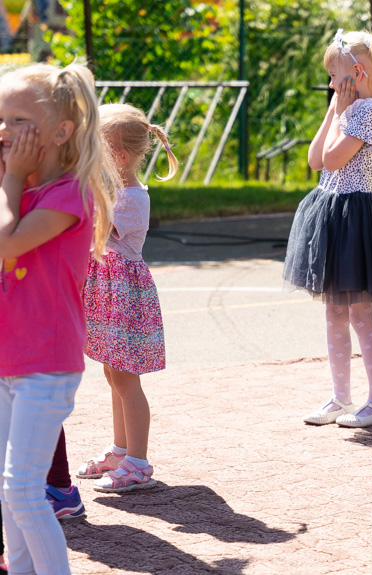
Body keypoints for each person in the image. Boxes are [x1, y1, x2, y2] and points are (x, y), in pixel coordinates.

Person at [0, 62, 115, 575]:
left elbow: (7, 244)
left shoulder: (67, 196)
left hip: (45, 367)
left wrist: (8, 178)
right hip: (10, 363)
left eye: (17, 119)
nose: (3, 130)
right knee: (8, 492)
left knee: (24, 492)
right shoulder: (18, 192)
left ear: (61, 131)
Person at [284, 29, 372, 428]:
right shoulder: (348, 112)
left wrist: (340, 113)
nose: (330, 84)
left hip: (357, 220)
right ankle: (340, 397)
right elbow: (314, 160)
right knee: (334, 312)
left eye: (334, 77)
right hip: (334, 215)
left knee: (361, 313)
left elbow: (333, 158)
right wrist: (332, 110)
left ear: (356, 74)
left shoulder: (370, 113)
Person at [76, 103, 178, 494]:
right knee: (112, 372)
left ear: (117, 156)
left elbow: (92, 227)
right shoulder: (113, 190)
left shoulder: (132, 199)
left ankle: (138, 461)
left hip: (124, 299)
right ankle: (120, 451)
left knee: (126, 378)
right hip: (107, 296)